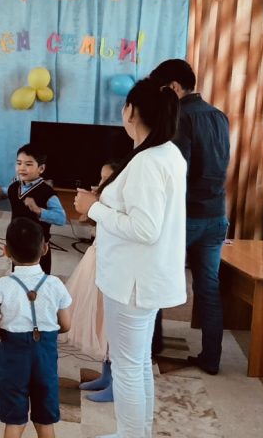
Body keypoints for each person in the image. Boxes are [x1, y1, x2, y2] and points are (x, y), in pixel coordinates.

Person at [73, 77, 186, 438]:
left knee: (127, 366)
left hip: (132, 281)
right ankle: (138, 432)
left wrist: (93, 208)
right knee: (136, 363)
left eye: (125, 105)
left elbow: (145, 228)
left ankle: (131, 434)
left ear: (131, 112)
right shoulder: (165, 153)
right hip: (142, 276)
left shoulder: (148, 161)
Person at [149, 58, 230, 375]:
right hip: (217, 214)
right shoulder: (219, 116)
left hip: (185, 216)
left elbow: (175, 173)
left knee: (154, 278)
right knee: (208, 288)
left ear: (173, 87)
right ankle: (211, 358)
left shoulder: (180, 117)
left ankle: (151, 347)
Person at [0, 218, 72, 438]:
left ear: (5, 251)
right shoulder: (56, 284)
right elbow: (66, 325)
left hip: (13, 356)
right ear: (45, 249)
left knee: (14, 420)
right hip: (45, 357)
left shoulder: (1, 285)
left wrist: (3, 331)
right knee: (45, 421)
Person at [66, 162, 117, 403]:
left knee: (109, 324)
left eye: (107, 179)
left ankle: (116, 384)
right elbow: (88, 221)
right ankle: (106, 375)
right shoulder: (101, 202)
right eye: (101, 178)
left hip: (111, 268)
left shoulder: (117, 205)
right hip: (95, 264)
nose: (101, 184)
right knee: (98, 321)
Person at [0, 144, 67, 275]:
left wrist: (39, 210)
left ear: (41, 168)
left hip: (38, 246)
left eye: (28, 164)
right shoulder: (14, 186)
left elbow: (61, 218)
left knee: (40, 278)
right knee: (18, 275)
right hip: (17, 242)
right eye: (19, 163)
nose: (22, 168)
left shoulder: (47, 193)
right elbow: (5, 192)